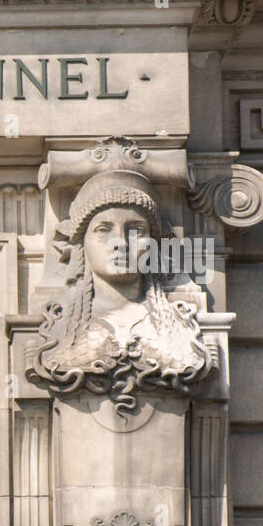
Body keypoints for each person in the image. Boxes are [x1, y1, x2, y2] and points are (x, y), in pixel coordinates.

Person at [27, 169, 213, 415]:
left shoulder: (181, 325)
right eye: (104, 229)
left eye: (136, 230)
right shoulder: (56, 328)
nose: (121, 243)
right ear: (81, 244)